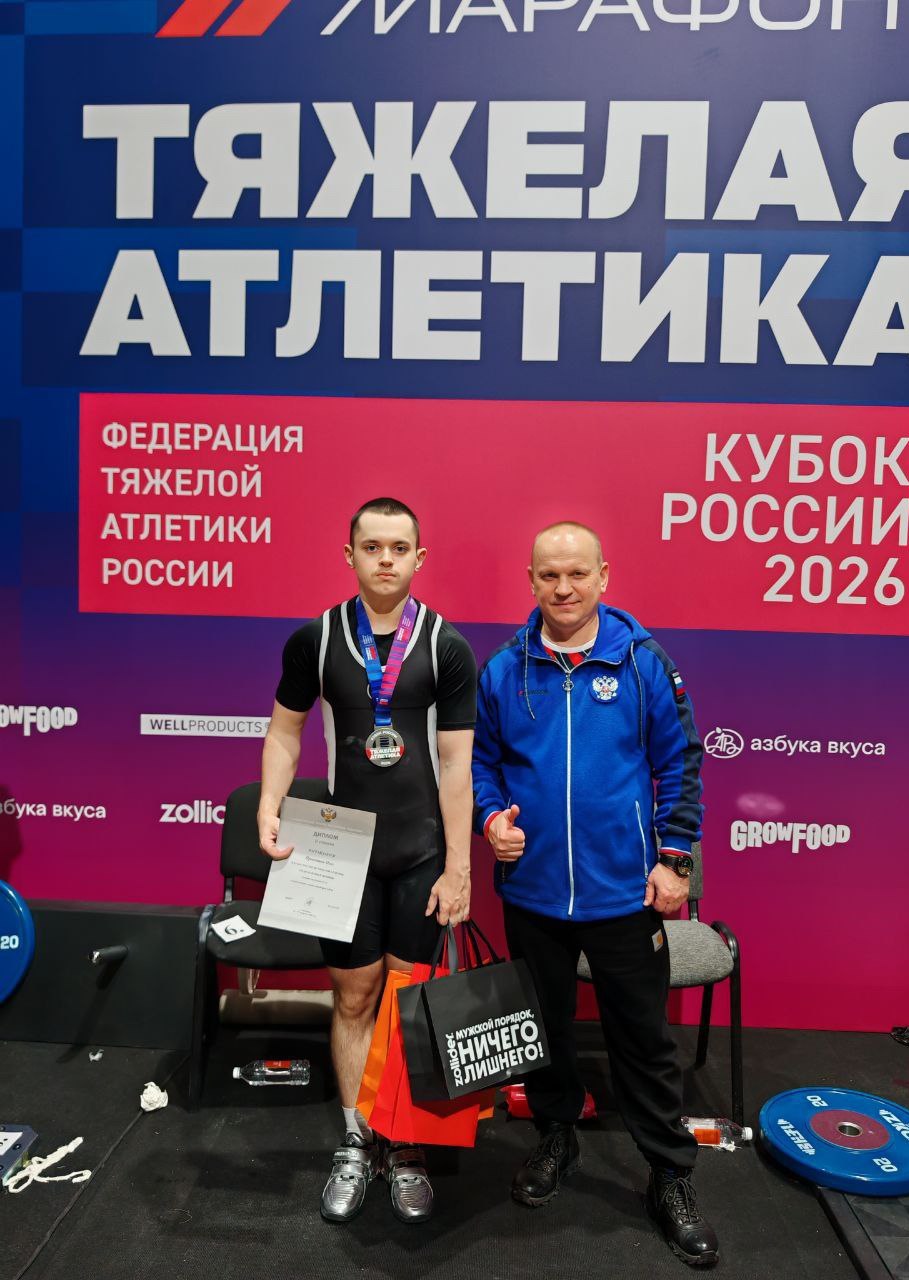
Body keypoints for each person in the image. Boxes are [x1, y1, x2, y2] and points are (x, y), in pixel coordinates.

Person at [472, 521, 719, 1267]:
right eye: (549, 575)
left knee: (643, 1041)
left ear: (604, 576)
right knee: (542, 1031)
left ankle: (669, 1174)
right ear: (531, 580)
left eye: (578, 573)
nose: (564, 588)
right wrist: (491, 819)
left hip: (625, 894)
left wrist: (674, 860)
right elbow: (481, 763)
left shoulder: (643, 661)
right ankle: (556, 1138)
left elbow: (681, 763)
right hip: (534, 893)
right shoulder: (504, 670)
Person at [258, 497, 477, 1225]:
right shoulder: (315, 640)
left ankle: (406, 1145)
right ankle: (357, 1141)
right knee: (353, 999)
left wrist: (458, 866)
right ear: (348, 555)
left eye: (399, 547)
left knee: (408, 1004)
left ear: (420, 558)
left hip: (420, 851)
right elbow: (284, 733)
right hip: (340, 848)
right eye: (373, 546)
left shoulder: (446, 646)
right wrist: (269, 805)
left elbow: (457, 764)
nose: (386, 559)